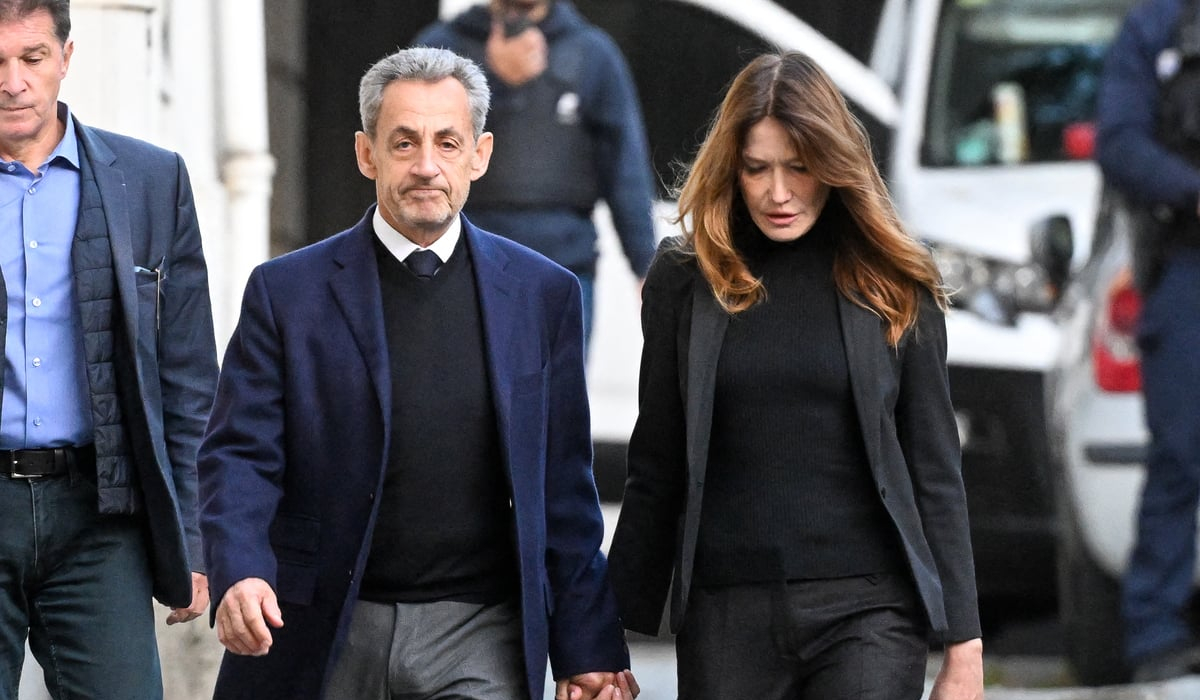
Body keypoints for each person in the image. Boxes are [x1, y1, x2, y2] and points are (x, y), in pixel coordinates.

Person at [198, 46, 637, 700]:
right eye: (404, 143)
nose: (427, 165)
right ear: (366, 154)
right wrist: (240, 569)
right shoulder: (287, 293)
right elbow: (240, 453)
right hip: (323, 624)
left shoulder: (543, 295)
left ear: (479, 155)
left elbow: (564, 489)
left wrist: (588, 647)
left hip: (479, 633)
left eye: (447, 142)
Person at [606, 51, 984, 700]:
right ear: (732, 166)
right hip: (728, 614)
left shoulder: (892, 280)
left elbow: (934, 468)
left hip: (869, 610)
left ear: (833, 164)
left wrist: (965, 644)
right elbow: (657, 463)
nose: (778, 193)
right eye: (757, 168)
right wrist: (606, 633)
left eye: (800, 167)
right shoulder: (686, 280)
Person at [0, 0, 219, 697]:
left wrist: (194, 536)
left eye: (32, 57)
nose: (13, 81)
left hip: (100, 511)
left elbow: (188, 378)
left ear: (66, 57)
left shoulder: (150, 180)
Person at [412, 0, 657, 346]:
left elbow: (625, 169)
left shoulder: (592, 53)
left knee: (556, 382)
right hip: (460, 265)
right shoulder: (441, 48)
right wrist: (495, 82)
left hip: (563, 270)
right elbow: (412, 153)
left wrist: (647, 268)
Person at [1096, 0, 1200, 682]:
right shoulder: (1158, 26)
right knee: (1181, 454)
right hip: (1188, 263)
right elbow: (1121, 144)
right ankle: (1158, 634)